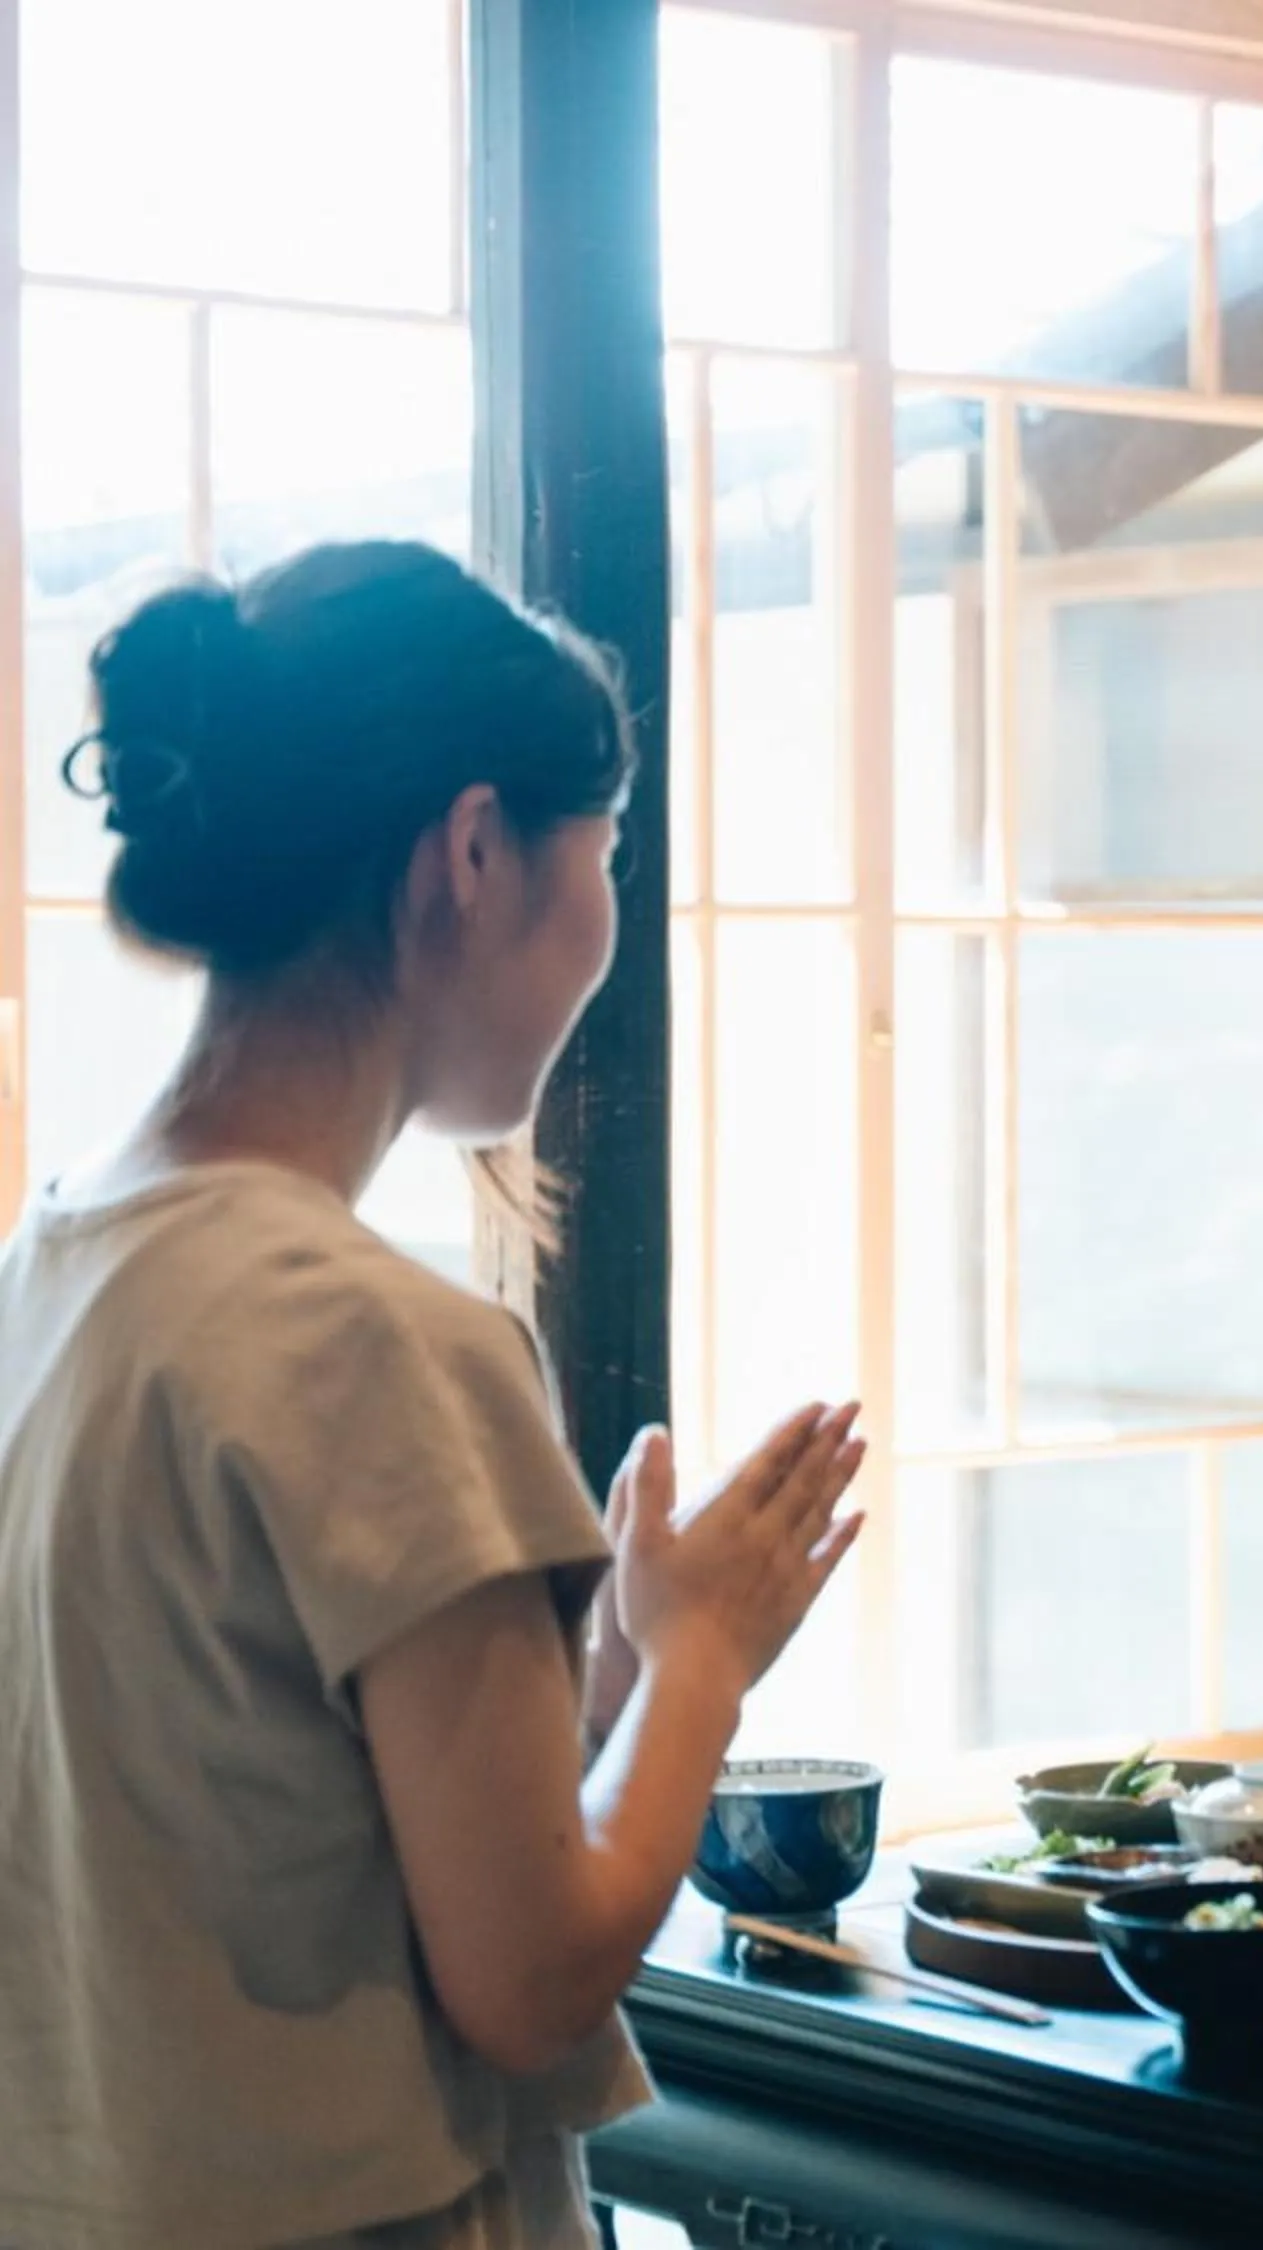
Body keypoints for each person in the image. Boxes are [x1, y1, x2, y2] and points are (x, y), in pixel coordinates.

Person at [0, 543, 866, 2246]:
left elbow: (257, 1854)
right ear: (473, 852)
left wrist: (605, 1683)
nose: (609, 922)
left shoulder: (54, 1272)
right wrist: (703, 1658)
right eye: (603, 853)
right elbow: (533, 1980)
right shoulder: (372, 1336)